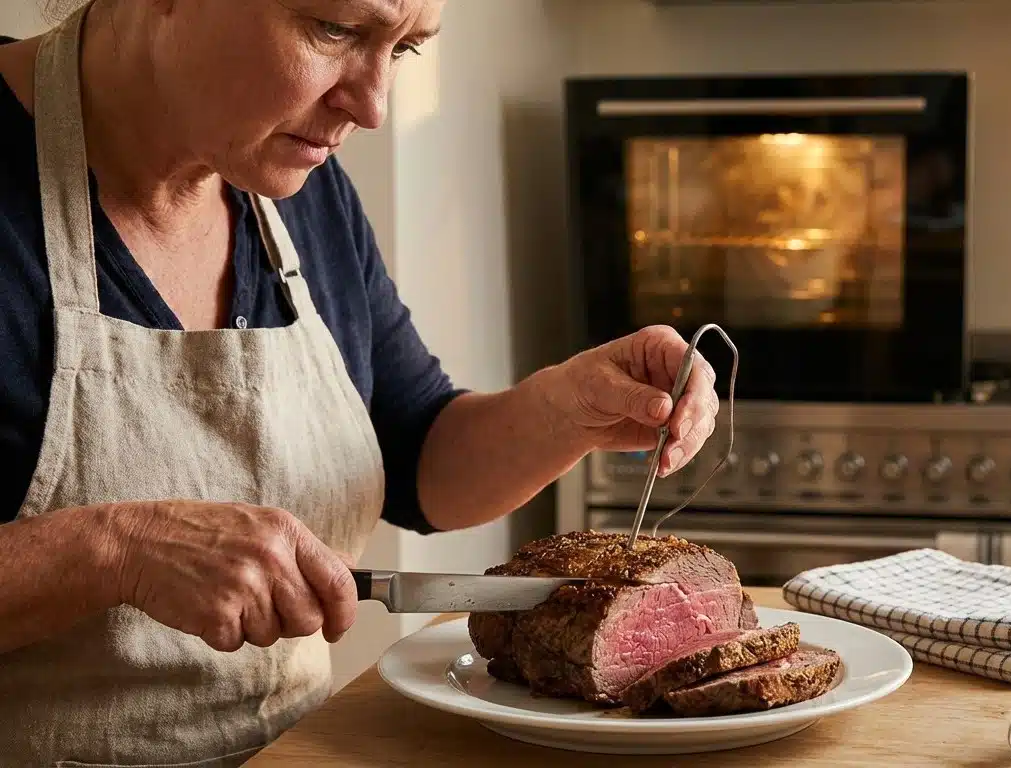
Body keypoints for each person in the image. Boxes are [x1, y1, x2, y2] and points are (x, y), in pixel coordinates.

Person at [0, 0, 721, 765]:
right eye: (335, 30)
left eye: (404, 50)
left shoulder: (295, 186)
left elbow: (417, 461)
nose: (372, 108)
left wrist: (563, 409)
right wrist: (115, 550)